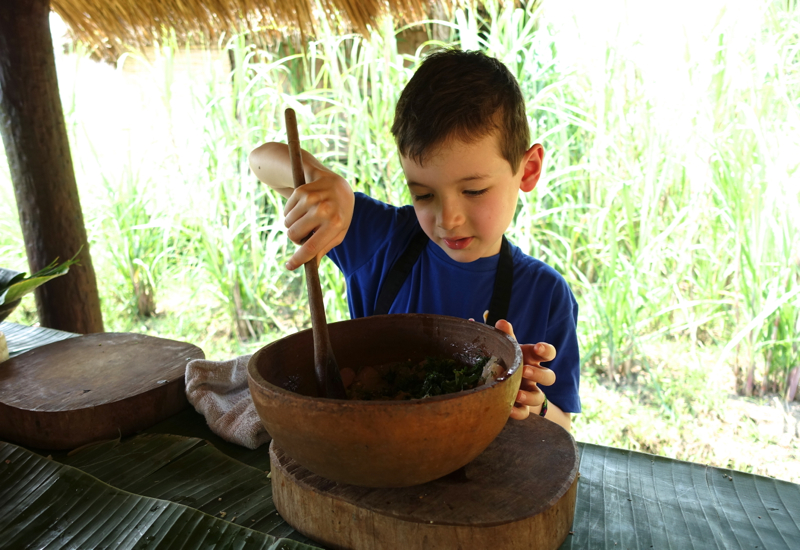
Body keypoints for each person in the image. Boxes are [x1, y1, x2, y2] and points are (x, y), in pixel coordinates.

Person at [249, 49, 580, 431]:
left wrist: (531, 403)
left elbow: (564, 428)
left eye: (473, 191)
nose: (447, 219)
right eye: (424, 194)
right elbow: (261, 159)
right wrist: (325, 182)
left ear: (528, 170)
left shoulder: (546, 294)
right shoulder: (380, 240)